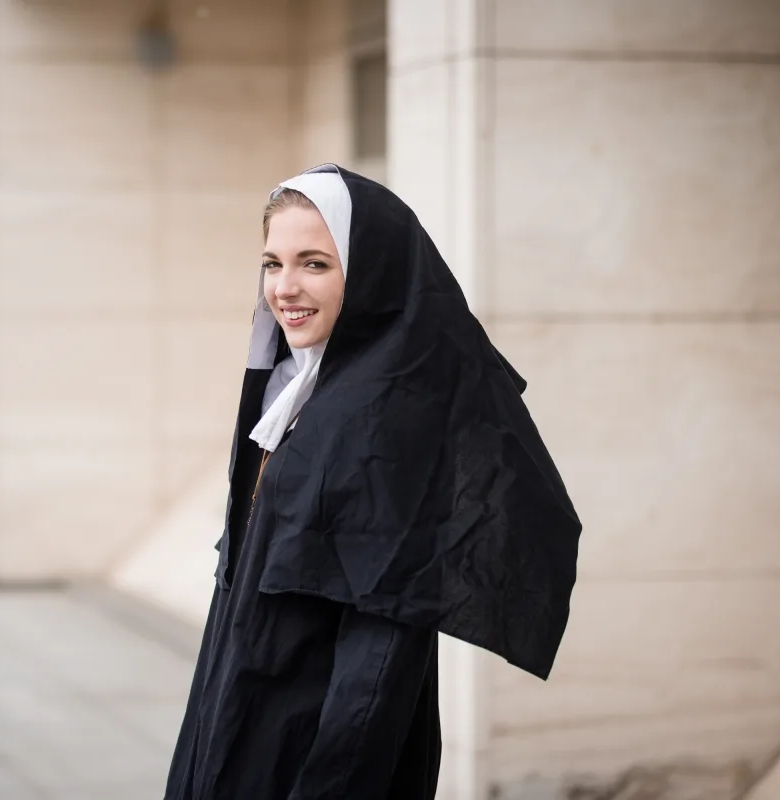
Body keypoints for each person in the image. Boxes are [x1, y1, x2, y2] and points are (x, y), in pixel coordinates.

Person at [164, 165, 581, 800]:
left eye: (314, 264)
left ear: (370, 273)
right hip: (243, 700)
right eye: (273, 263)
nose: (285, 288)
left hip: (309, 748)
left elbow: (381, 652)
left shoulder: (385, 421)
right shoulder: (300, 387)